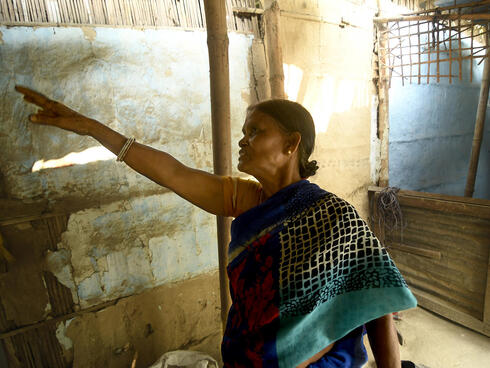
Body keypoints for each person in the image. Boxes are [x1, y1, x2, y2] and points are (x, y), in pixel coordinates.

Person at [15, 86, 417, 368]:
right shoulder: (244, 199)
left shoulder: (334, 215)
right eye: (243, 132)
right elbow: (172, 172)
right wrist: (91, 128)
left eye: (255, 131)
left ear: (291, 144)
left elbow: (376, 298)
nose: (243, 140)